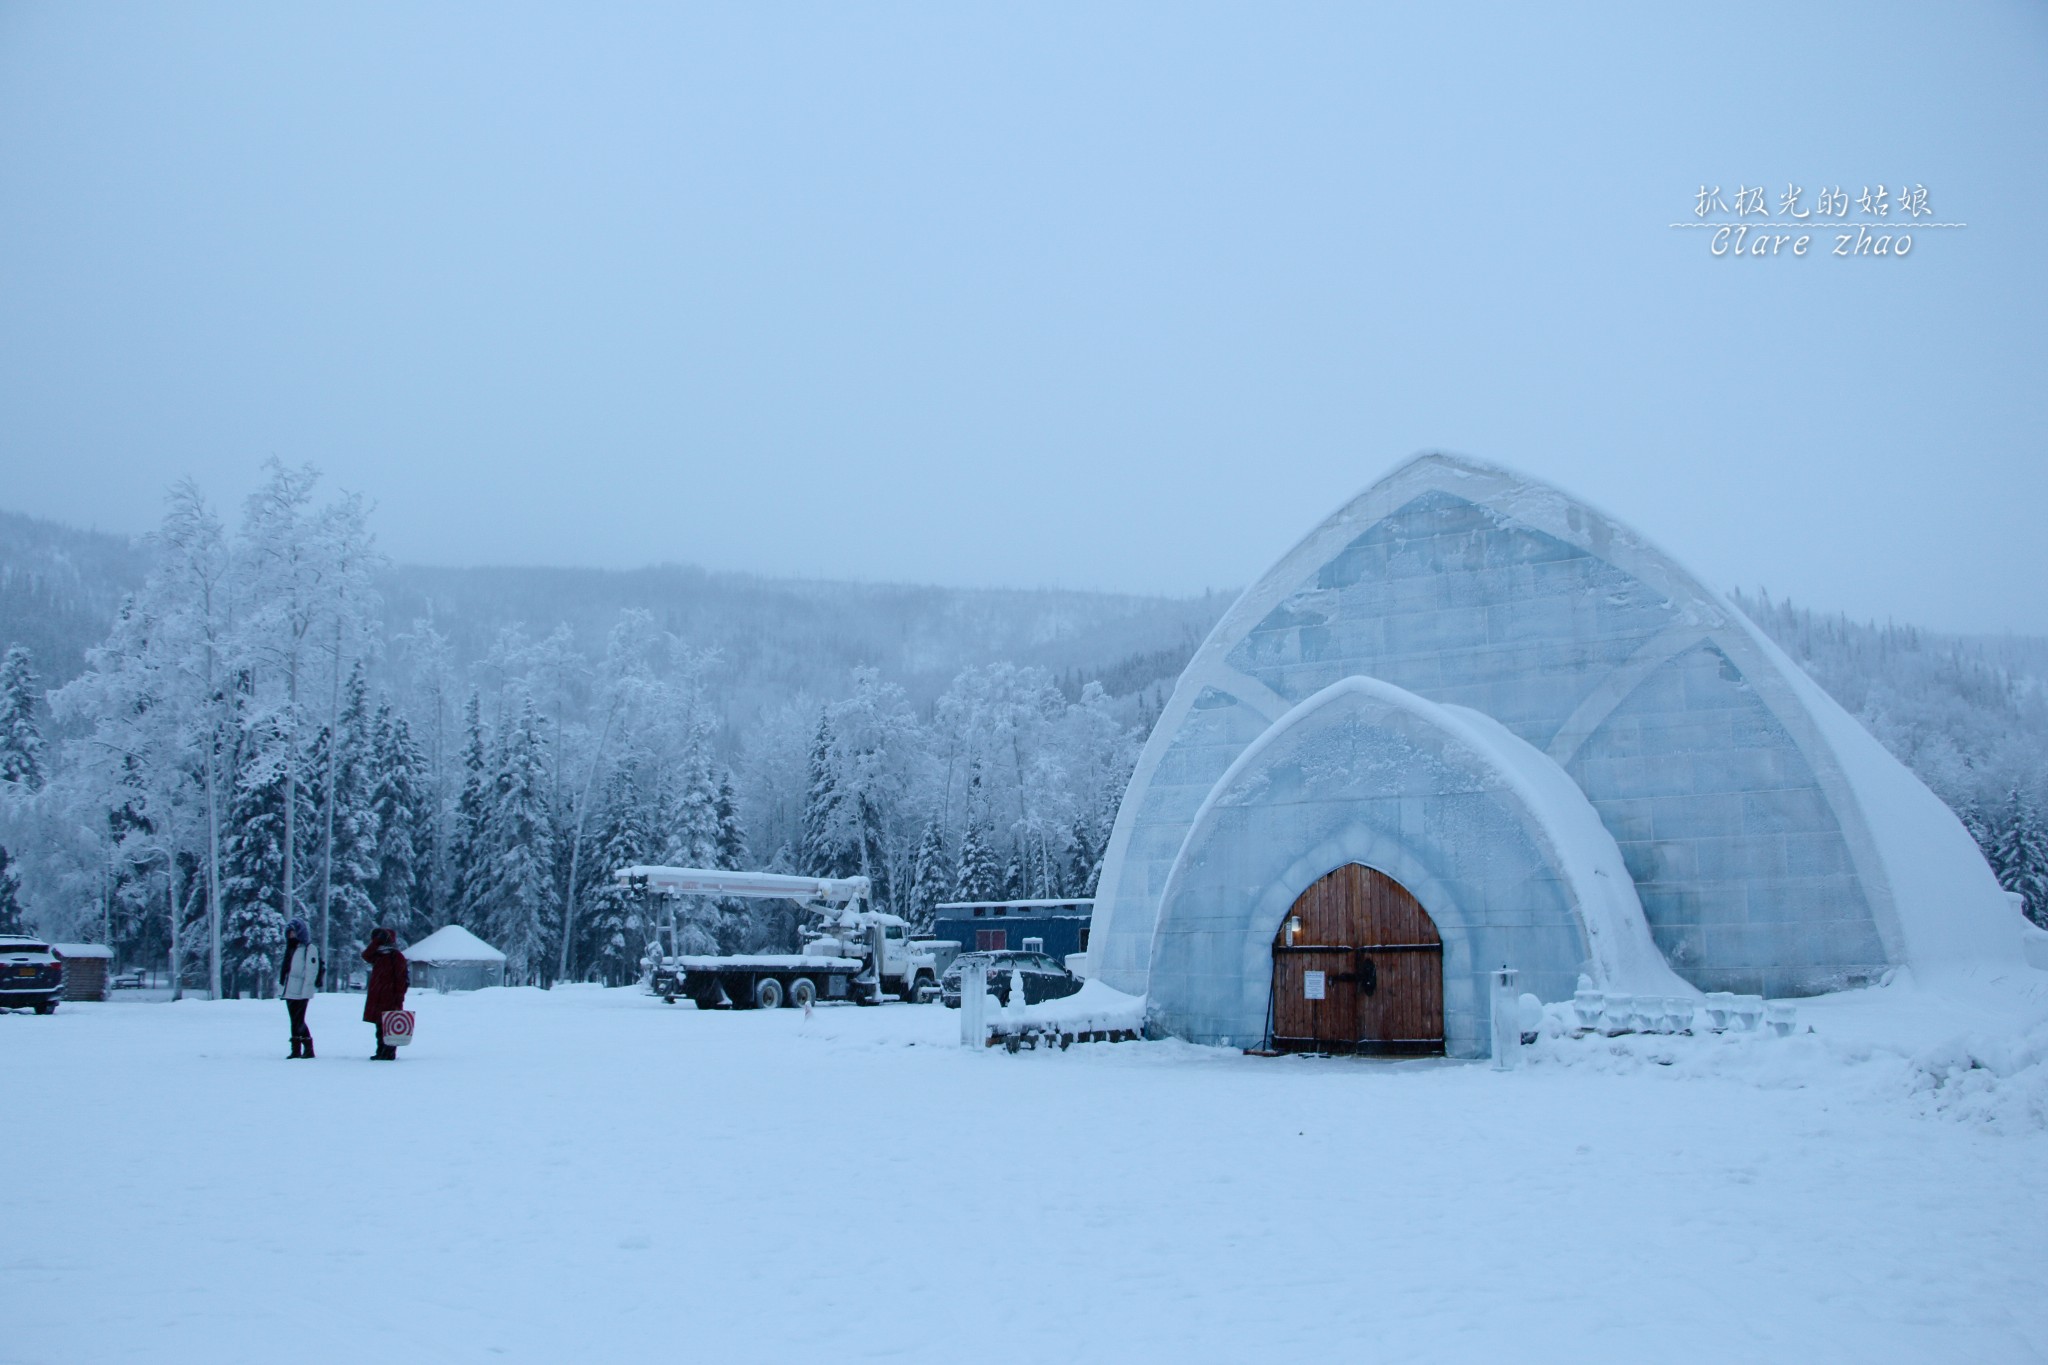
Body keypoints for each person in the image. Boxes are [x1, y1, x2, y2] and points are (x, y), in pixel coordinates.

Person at [361, 926, 409, 1061]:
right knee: (379, 1027)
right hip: (378, 997)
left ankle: (389, 1053)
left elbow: (401, 979)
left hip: (390, 997)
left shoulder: (396, 956)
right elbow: (366, 955)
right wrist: (376, 942)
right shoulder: (378, 955)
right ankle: (381, 1051)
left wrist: (399, 997)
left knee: (390, 1026)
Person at [278, 917, 324, 1059]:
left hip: (301, 991)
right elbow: (286, 970)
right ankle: (296, 1049)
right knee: (294, 1020)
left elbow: (311, 971)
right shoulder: (291, 949)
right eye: (289, 933)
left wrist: (306, 991)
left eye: (294, 932)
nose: (291, 936)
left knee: (299, 1020)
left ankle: (308, 1047)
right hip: (290, 990)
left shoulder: (309, 949)